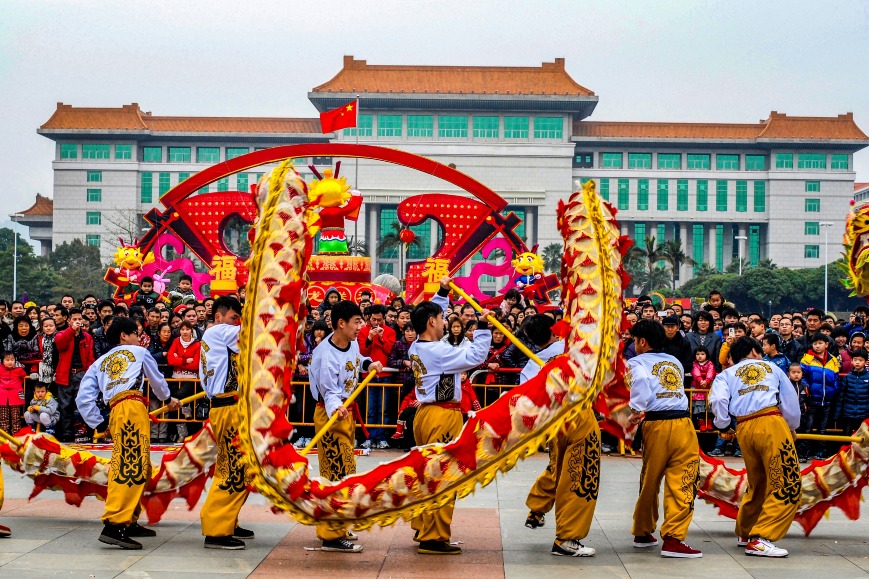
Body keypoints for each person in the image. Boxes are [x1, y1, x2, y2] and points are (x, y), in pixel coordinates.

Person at [76, 316, 180, 550]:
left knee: (139, 465)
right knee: (130, 465)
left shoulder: (100, 361)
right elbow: (158, 381)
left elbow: (83, 397)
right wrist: (167, 398)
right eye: (136, 333)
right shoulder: (139, 352)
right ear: (124, 336)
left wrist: (98, 423)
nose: (139, 337)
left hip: (116, 412)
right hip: (132, 408)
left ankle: (129, 519)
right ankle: (115, 523)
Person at [408, 276, 491, 555]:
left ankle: (423, 526)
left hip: (425, 415)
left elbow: (434, 319)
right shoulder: (439, 351)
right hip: (442, 416)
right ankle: (434, 537)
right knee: (444, 476)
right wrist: (483, 327)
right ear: (432, 322)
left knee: (426, 473)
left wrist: (443, 292)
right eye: (442, 317)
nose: (445, 321)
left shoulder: (418, 345)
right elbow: (477, 355)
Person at [709, 337, 801, 558]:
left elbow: (719, 401)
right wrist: (792, 426)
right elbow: (790, 401)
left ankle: (746, 530)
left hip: (743, 427)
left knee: (758, 480)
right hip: (770, 422)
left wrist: (723, 425)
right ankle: (762, 537)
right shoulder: (771, 367)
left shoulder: (726, 374)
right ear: (754, 350)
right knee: (788, 482)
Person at [521, 315, 599, 558]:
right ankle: (567, 538)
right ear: (555, 332)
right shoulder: (573, 352)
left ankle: (537, 508)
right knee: (580, 474)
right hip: (579, 416)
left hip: (554, 424)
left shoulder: (532, 366)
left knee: (559, 468)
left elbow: (526, 400)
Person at [309, 300, 383, 553]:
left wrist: (368, 364)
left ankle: (338, 522)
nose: (360, 327)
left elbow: (357, 360)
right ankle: (330, 534)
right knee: (335, 474)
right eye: (357, 322)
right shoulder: (324, 354)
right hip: (330, 416)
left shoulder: (351, 343)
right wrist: (335, 408)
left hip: (346, 414)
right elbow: (328, 391)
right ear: (341, 324)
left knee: (346, 471)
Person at [627, 319, 702, 558]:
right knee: (684, 479)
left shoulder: (635, 362)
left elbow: (639, 382)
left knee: (650, 478)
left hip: (655, 423)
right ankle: (673, 537)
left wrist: (636, 409)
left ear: (642, 341)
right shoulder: (674, 362)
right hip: (682, 421)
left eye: (634, 340)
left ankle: (642, 530)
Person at [198, 296, 254, 550]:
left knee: (235, 467)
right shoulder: (219, 332)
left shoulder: (216, 337)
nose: (236, 324)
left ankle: (228, 521)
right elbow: (255, 331)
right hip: (228, 408)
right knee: (232, 469)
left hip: (228, 407)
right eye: (233, 318)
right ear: (218, 316)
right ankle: (216, 530)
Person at [357, 304, 396, 449]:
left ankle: (381, 437)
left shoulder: (390, 332)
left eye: (380, 320)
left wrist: (380, 338)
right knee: (370, 408)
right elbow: (362, 352)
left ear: (384, 318)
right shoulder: (362, 332)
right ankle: (370, 436)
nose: (377, 323)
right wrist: (369, 338)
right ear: (369, 318)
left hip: (385, 373)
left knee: (383, 408)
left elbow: (389, 350)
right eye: (374, 319)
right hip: (368, 375)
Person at [53, 308, 95, 442]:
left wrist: (89, 375)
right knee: (65, 406)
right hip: (65, 374)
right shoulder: (61, 334)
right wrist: (71, 330)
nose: (77, 322)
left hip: (81, 373)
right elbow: (60, 345)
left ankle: (81, 432)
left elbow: (90, 357)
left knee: (81, 404)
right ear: (69, 320)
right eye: (74, 319)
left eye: (79, 319)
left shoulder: (87, 337)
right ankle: (66, 433)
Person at [800, 333, 839, 459]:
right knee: (808, 427)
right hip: (812, 399)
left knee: (823, 429)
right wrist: (808, 389)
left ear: (826, 344)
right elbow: (802, 376)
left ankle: (821, 452)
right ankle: (804, 452)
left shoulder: (833, 360)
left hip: (827, 400)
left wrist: (834, 389)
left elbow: (836, 378)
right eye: (815, 343)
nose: (817, 346)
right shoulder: (807, 358)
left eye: (820, 343)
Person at [833, 348, 869, 437]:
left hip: (863, 415)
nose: (857, 362)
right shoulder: (847, 378)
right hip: (848, 414)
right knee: (846, 437)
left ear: (865, 362)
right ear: (852, 361)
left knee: (861, 439)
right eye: (855, 360)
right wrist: (836, 414)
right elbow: (841, 397)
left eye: (860, 360)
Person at [691, 347, 716, 431]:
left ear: (707, 355)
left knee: (709, 408)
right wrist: (700, 380)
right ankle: (701, 424)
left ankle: (709, 424)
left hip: (708, 388)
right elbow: (695, 371)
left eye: (702, 354)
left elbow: (711, 371)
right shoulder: (694, 364)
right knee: (700, 408)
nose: (700, 356)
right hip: (698, 388)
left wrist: (707, 380)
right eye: (697, 354)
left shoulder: (710, 363)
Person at [0, 351, 26, 434]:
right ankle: (4, 436)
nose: (10, 362)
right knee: (3, 418)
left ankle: (16, 436)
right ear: (2, 361)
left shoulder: (19, 369)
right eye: (7, 360)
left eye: (12, 359)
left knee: (16, 417)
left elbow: (23, 376)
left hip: (15, 396)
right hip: (2, 397)